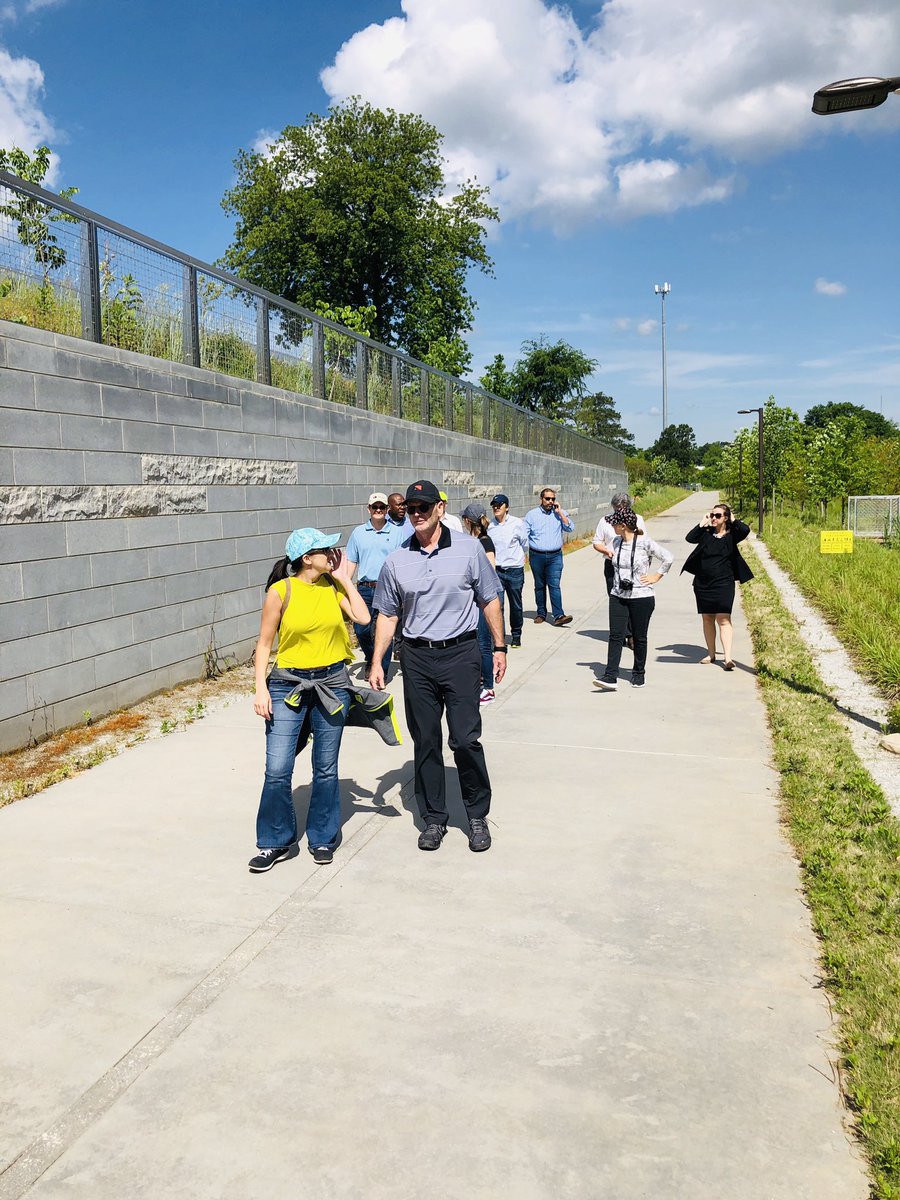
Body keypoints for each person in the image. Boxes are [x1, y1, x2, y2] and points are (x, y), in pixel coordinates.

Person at [369, 480, 506, 853]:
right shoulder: (397, 559)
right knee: (425, 740)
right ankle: (434, 819)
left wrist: (499, 646)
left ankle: (476, 815)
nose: (416, 514)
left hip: (461, 655)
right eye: (411, 508)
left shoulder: (468, 549)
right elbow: (387, 614)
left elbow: (490, 597)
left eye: (423, 508)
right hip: (416, 658)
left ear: (440, 509)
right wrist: (377, 661)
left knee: (464, 739)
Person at [249, 528, 372, 871]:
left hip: (332, 682)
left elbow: (363, 618)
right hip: (287, 684)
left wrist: (344, 578)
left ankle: (321, 837)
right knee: (277, 769)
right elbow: (263, 644)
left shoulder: (333, 587)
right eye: (325, 549)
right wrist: (260, 687)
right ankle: (275, 842)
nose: (333, 552)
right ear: (307, 558)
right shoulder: (281, 591)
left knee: (326, 768)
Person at [593, 508, 673, 691]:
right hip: (618, 595)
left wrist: (656, 576)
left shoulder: (645, 543)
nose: (610, 525)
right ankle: (610, 675)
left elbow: (668, 557)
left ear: (622, 526)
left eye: (614, 523)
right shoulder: (615, 541)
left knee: (639, 636)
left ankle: (639, 673)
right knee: (615, 635)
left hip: (641, 597)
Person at [681, 503, 753, 670]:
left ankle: (728, 658)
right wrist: (702, 522)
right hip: (703, 584)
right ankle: (711, 654)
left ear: (726, 518)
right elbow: (690, 538)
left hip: (724, 584)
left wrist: (733, 519)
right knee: (707, 618)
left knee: (723, 619)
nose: (713, 518)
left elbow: (745, 530)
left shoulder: (732, 536)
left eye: (718, 515)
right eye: (712, 515)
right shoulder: (706, 534)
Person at [345, 493, 405, 679]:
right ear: (368, 509)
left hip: (388, 588)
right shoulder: (358, 533)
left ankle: (382, 671)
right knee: (361, 629)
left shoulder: (397, 533)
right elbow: (351, 561)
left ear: (387, 510)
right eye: (374, 507)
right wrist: (346, 587)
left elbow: (402, 561)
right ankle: (373, 659)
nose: (378, 510)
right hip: (365, 588)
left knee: (383, 629)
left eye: (382, 507)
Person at [593, 491, 650, 649]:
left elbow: (644, 541)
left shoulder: (638, 520)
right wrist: (606, 551)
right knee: (617, 600)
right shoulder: (605, 521)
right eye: (617, 507)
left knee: (632, 599)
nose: (620, 510)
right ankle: (624, 633)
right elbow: (597, 542)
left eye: (623, 507)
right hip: (612, 565)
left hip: (632, 567)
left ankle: (632, 634)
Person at [460, 500, 500, 705]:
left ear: (468, 521)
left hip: (485, 598)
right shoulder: (477, 540)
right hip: (479, 597)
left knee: (484, 644)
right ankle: (482, 682)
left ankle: (488, 688)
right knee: (479, 642)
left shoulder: (483, 541)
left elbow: (490, 570)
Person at [524, 487, 574, 626]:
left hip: (555, 557)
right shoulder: (531, 515)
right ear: (541, 499)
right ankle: (541, 613)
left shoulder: (559, 513)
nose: (550, 501)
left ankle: (559, 615)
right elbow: (524, 535)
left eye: (552, 499)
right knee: (540, 586)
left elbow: (570, 528)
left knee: (554, 585)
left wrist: (560, 513)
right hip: (537, 556)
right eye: (547, 499)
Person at [489, 493, 529, 648]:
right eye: (494, 505)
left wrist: (518, 559)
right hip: (497, 571)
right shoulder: (490, 525)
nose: (496, 507)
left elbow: (525, 544)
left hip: (514, 571)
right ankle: (499, 640)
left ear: (507, 507)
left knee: (516, 605)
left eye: (500, 505)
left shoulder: (517, 523)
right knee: (497, 606)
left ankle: (516, 634)